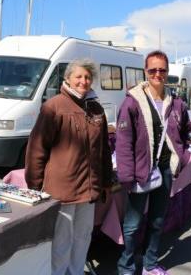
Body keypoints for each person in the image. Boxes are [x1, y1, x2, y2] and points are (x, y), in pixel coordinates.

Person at [25, 59, 113, 275]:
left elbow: (103, 150)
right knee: (61, 240)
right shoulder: (53, 107)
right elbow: (37, 149)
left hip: (89, 190)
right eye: (79, 77)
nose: (84, 81)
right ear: (68, 79)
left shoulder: (96, 108)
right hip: (61, 191)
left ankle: (75, 272)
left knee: (83, 236)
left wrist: (105, 182)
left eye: (87, 77)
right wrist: (34, 187)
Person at [115, 50, 191, 275]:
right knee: (132, 225)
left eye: (162, 70)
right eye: (153, 70)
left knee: (157, 221)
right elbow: (123, 142)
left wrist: (183, 156)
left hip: (166, 170)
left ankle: (149, 264)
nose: (158, 74)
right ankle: (126, 267)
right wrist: (127, 176)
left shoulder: (176, 102)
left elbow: (186, 130)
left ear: (167, 72)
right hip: (140, 171)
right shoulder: (132, 102)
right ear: (145, 71)